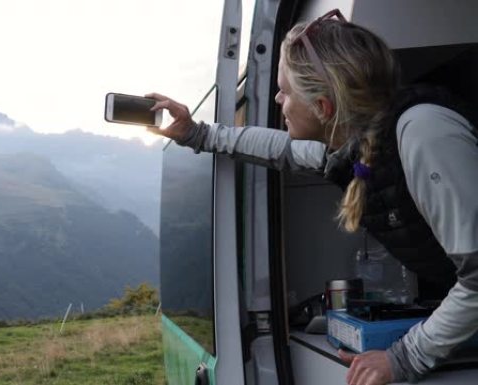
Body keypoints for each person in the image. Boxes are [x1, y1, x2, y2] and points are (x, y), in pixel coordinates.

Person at [146, 9, 478, 385]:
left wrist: (403, 358)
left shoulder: (423, 134)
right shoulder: (356, 146)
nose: (276, 99)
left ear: (323, 108)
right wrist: (197, 133)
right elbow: (280, 150)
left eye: (285, 92)